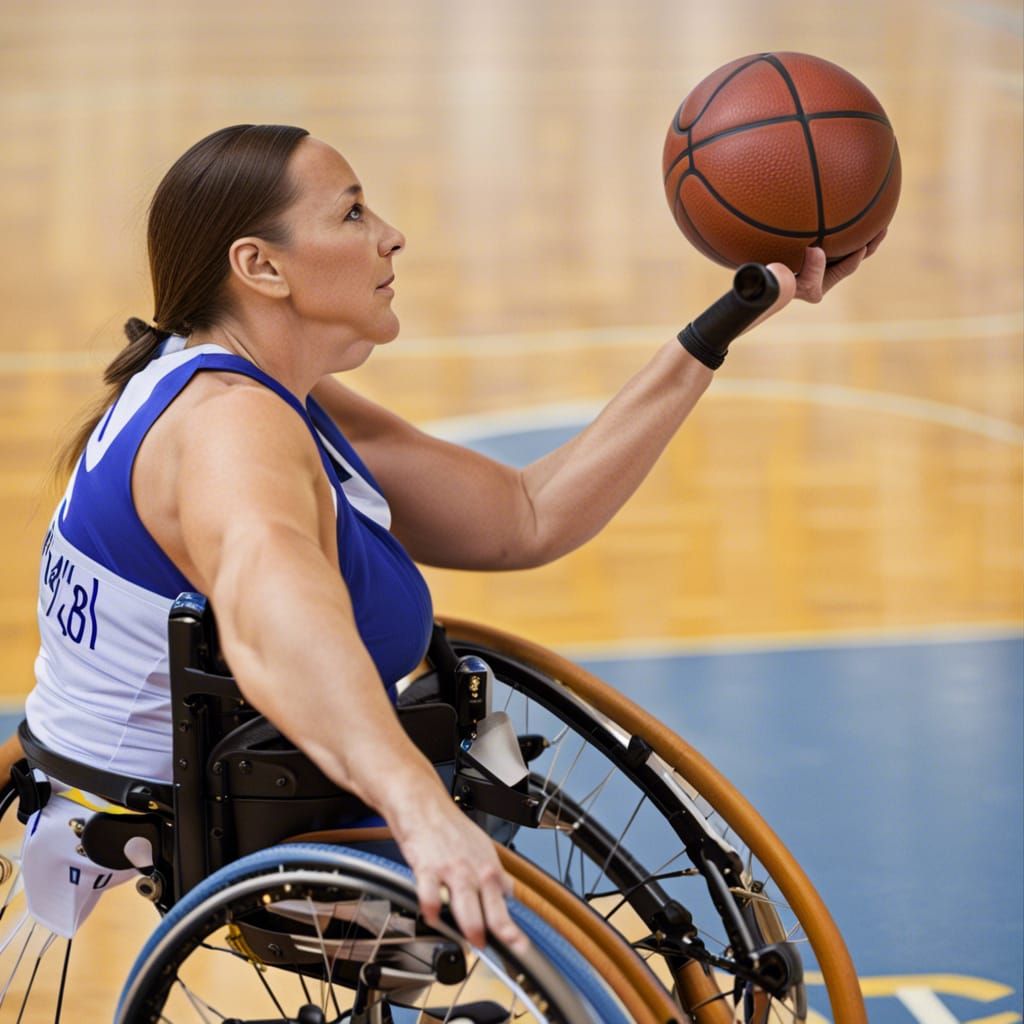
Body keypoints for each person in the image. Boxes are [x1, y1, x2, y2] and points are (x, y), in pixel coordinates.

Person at [14, 124, 882, 950]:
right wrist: (416, 806)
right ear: (261, 266)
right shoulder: (230, 429)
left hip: (230, 766)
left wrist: (728, 321)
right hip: (229, 803)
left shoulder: (256, 382)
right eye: (352, 212)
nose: (392, 236)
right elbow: (276, 624)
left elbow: (527, 514)